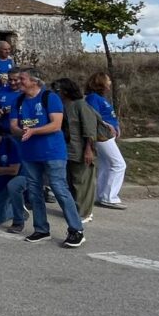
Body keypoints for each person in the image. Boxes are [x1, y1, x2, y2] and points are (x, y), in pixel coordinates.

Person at [11, 70, 85, 248]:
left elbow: (55, 124)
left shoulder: (49, 97)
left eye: (22, 79)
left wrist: (33, 131)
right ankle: (41, 229)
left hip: (52, 152)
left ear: (34, 81)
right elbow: (13, 126)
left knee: (59, 189)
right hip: (29, 153)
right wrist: (22, 132)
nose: (16, 82)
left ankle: (76, 230)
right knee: (35, 192)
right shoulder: (18, 100)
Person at [53, 78, 99, 224]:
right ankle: (74, 209)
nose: (56, 93)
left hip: (81, 150)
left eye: (58, 90)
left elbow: (90, 130)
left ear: (66, 91)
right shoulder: (62, 106)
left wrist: (88, 150)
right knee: (71, 181)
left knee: (82, 182)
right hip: (67, 150)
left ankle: (85, 213)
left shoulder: (81, 105)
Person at [85, 72, 126, 209]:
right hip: (102, 135)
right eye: (107, 80)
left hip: (107, 135)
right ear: (101, 82)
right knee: (119, 164)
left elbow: (108, 114)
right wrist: (107, 125)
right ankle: (110, 197)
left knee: (106, 164)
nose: (110, 83)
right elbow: (92, 116)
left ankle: (102, 195)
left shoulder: (101, 98)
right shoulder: (92, 98)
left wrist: (116, 125)